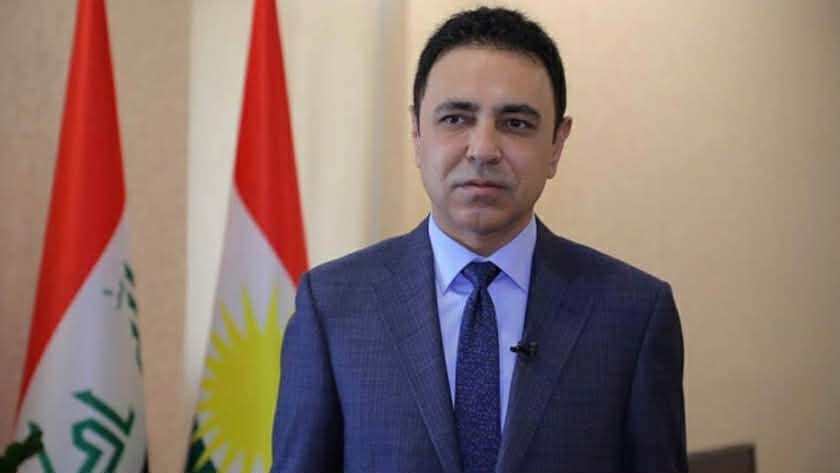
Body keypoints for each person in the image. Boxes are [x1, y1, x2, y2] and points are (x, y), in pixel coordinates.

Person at [271, 6, 686, 473]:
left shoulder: (634, 315)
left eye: (516, 124)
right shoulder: (332, 307)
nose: (483, 149)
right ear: (417, 133)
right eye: (456, 119)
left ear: (556, 144)